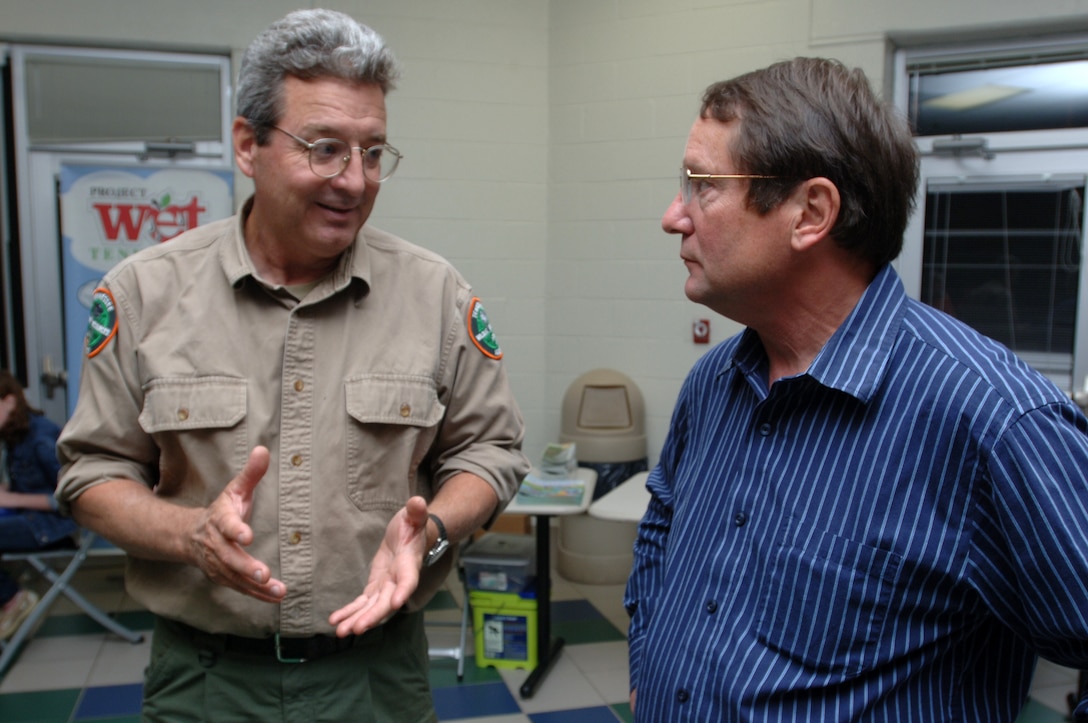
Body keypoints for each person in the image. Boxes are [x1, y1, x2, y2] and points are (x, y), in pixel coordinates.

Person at [55, 9, 529, 721]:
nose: (355, 180)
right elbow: (91, 473)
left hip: (375, 679)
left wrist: (430, 529)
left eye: (374, 153)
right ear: (249, 145)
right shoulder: (144, 294)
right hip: (206, 680)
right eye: (326, 148)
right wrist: (189, 534)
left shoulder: (434, 295)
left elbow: (490, 449)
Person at [624, 56, 1088, 721]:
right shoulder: (715, 381)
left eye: (702, 185)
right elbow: (661, 527)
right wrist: (647, 667)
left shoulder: (994, 418)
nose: (675, 216)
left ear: (810, 212)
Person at [0, 370, 78, 638]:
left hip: (53, 526)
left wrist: (11, 498)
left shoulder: (40, 438)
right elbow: (32, 486)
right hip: (31, 518)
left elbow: (69, 499)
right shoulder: (14, 435)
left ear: (9, 401)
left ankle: (12, 599)